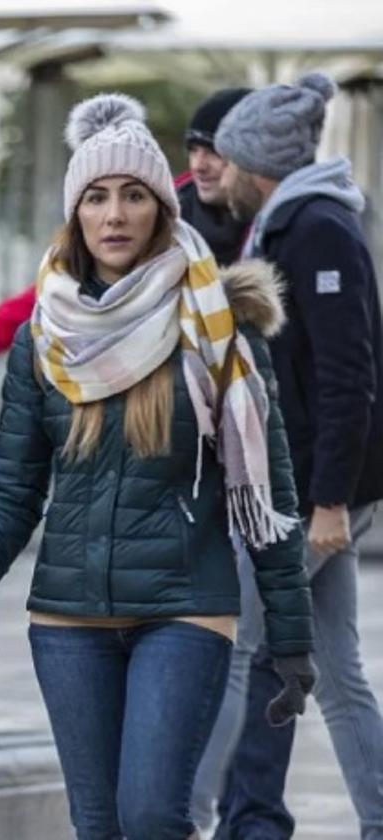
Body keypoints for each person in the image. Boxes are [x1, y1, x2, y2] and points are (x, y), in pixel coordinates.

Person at [0, 92, 315, 840]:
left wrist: (293, 639)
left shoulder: (217, 330)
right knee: (98, 824)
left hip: (183, 607)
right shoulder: (43, 337)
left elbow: (265, 491)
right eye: (97, 198)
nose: (114, 215)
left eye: (134, 196)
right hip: (67, 618)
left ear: (159, 212)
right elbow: (15, 487)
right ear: (76, 214)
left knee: (150, 818)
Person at [202, 72, 383, 839]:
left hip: (312, 493)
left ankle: (175, 815)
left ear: (254, 162)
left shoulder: (316, 230)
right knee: (339, 674)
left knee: (228, 647)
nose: (218, 174)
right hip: (308, 488)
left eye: (225, 158)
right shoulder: (290, 224)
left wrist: (332, 500)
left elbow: (350, 375)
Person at [0, 86, 252, 360]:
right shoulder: (155, 212)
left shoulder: (276, 226)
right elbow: (43, 298)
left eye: (214, 150)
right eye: (193, 149)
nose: (200, 164)